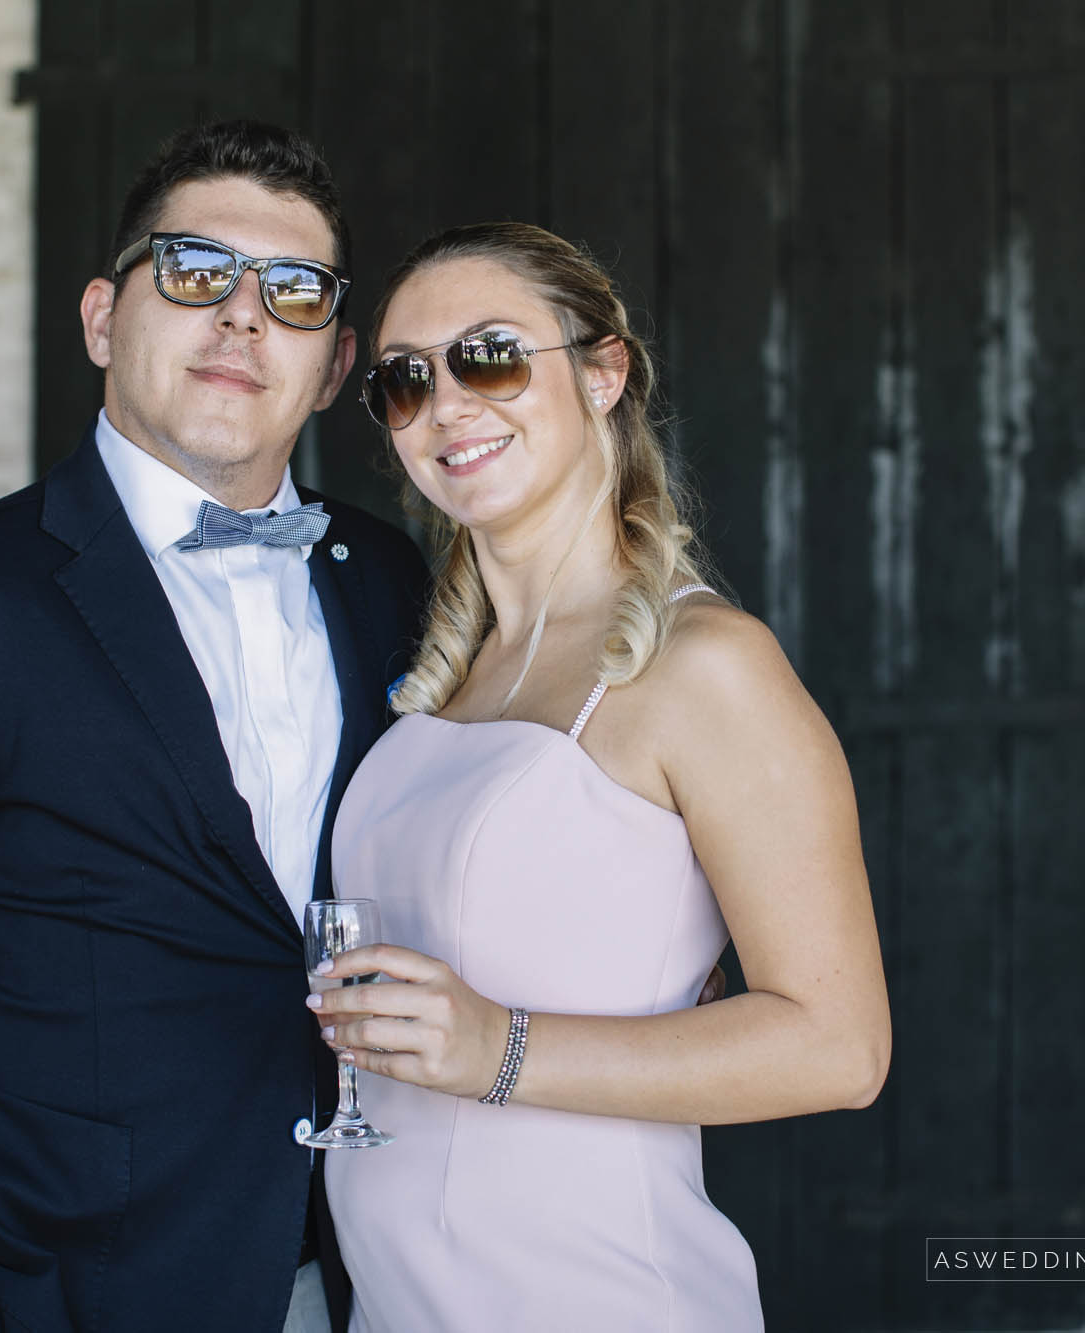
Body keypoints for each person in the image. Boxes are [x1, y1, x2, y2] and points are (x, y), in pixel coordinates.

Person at [0, 121, 428, 1333]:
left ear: (334, 365)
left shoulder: (390, 578)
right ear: (98, 320)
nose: (240, 316)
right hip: (76, 1291)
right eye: (191, 270)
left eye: (291, 293)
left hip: (373, 1270)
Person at [308, 222, 893, 1332]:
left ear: (602, 371)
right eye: (403, 380)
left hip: (594, 1295)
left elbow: (839, 1045)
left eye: (489, 356)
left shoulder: (706, 667)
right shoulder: (439, 677)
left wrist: (498, 1046)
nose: (444, 405)